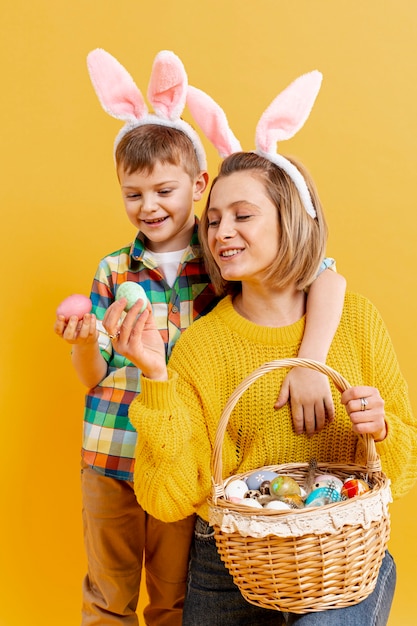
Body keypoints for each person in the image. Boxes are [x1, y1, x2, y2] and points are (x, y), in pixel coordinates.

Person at [102, 76, 417, 625]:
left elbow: (407, 464)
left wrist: (380, 429)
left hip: (340, 556)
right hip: (228, 564)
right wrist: (155, 376)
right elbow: (170, 498)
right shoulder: (200, 345)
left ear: (290, 217)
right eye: (215, 219)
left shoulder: (356, 320)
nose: (222, 232)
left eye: (243, 216)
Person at [54, 52, 345, 626]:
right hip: (110, 454)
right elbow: (93, 378)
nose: (149, 206)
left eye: (163, 190)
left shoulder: (221, 258)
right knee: (106, 596)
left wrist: (311, 361)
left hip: (181, 459)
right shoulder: (113, 270)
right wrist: (82, 341)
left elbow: (325, 273)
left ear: (198, 183)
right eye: (133, 194)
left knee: (173, 599)